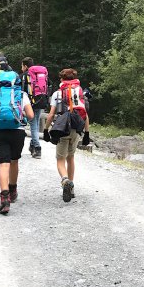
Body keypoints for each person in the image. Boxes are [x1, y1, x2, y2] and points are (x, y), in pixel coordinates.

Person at [0, 59, 32, 215]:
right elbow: (31, 115)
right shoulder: (21, 94)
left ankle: (4, 197)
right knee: (14, 161)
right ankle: (13, 189)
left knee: (3, 164)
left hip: (0, 132)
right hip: (17, 131)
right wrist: (24, 119)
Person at [46, 68, 90, 202]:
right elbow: (85, 114)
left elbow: (52, 114)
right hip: (76, 128)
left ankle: (65, 181)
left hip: (62, 129)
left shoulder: (58, 93)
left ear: (61, 79)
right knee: (70, 158)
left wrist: (46, 129)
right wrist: (86, 133)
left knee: (60, 159)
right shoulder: (80, 92)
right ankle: (72, 189)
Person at [22, 57, 49, 159]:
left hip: (31, 103)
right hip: (41, 100)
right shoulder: (41, 74)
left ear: (25, 66)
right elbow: (49, 84)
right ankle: (33, 145)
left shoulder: (25, 75)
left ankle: (37, 148)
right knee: (36, 123)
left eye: (22, 66)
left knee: (33, 124)